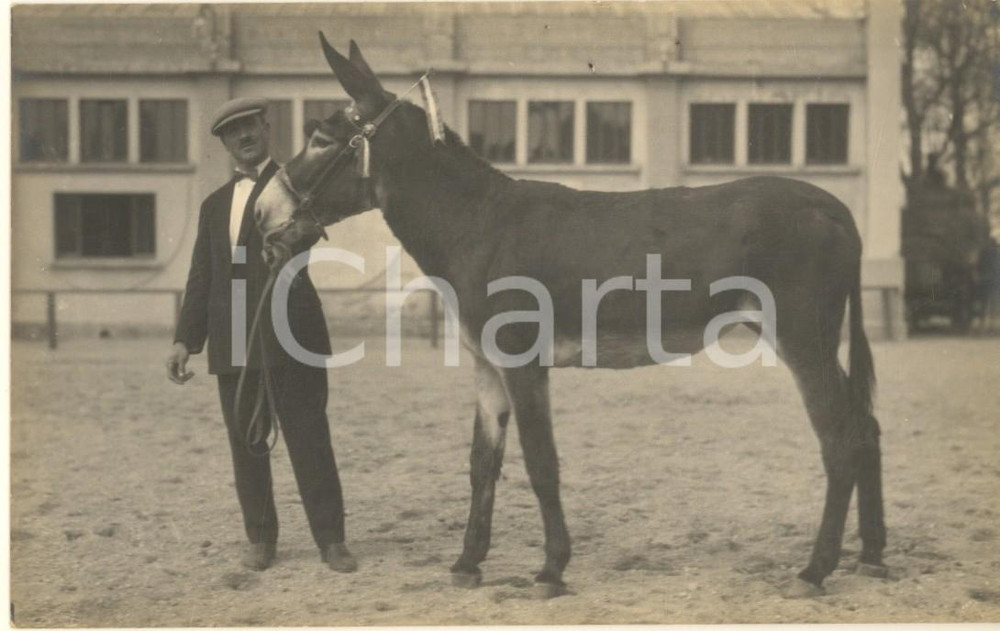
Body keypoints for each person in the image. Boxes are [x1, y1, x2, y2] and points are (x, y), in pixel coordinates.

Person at [166, 97, 356, 573]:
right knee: (247, 443)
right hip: (234, 340)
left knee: (309, 438)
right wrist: (184, 340)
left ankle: (331, 540)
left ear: (266, 128)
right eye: (233, 133)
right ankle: (261, 538)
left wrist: (296, 240)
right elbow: (202, 276)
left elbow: (316, 225)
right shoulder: (212, 206)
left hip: (292, 332)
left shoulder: (295, 182)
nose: (244, 137)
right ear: (224, 144)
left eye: (250, 127)